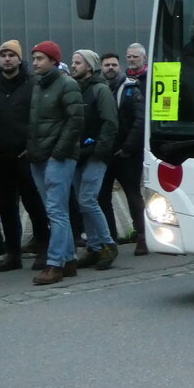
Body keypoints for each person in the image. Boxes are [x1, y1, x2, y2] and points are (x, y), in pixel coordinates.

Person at [0, 40, 48, 272]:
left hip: (25, 156)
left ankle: (44, 248)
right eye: (3, 55)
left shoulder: (33, 84)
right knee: (7, 208)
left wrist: (33, 145)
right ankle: (13, 254)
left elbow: (40, 118)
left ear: (19, 59)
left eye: (11, 55)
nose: (7, 59)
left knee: (34, 204)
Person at [26, 41, 84, 285]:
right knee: (56, 210)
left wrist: (58, 153)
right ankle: (68, 259)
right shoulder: (39, 86)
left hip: (58, 157)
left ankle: (54, 264)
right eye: (34, 58)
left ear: (53, 60)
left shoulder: (67, 84)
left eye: (40, 58)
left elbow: (75, 121)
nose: (36, 62)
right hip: (40, 156)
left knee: (56, 212)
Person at [69, 49, 119, 271]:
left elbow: (110, 123)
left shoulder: (101, 90)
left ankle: (108, 244)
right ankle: (94, 247)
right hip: (79, 154)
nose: (73, 66)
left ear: (89, 66)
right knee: (83, 202)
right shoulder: (75, 89)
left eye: (77, 62)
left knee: (88, 200)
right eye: (73, 62)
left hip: (95, 155)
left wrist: (100, 151)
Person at [98, 52, 147, 254]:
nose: (110, 68)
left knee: (133, 195)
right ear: (101, 68)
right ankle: (110, 239)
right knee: (102, 198)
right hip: (105, 154)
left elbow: (139, 120)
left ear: (119, 67)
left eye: (113, 64)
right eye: (107, 65)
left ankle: (142, 236)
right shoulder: (99, 89)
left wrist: (128, 147)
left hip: (127, 154)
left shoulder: (130, 88)